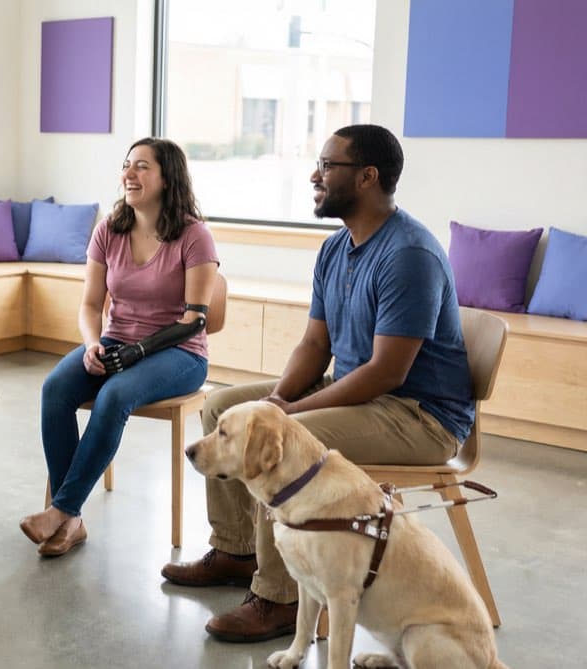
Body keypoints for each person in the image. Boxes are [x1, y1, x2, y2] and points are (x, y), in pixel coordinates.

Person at [162, 124, 474, 643]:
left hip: (417, 414)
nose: (315, 175)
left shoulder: (409, 255)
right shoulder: (336, 249)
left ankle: (278, 599)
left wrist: (284, 417)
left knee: (279, 443)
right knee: (223, 409)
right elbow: (313, 345)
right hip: (360, 392)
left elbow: (386, 372)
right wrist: (279, 398)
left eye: (328, 166)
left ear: (368, 177)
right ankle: (237, 551)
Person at [18, 138, 219, 557]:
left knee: (115, 394)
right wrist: (92, 344)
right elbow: (91, 306)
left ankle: (61, 511)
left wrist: (139, 353)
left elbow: (195, 319)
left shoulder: (194, 235)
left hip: (181, 355)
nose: (129, 174)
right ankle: (70, 520)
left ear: (168, 177)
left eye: (142, 167)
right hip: (116, 341)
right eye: (127, 165)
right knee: (55, 389)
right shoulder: (109, 229)